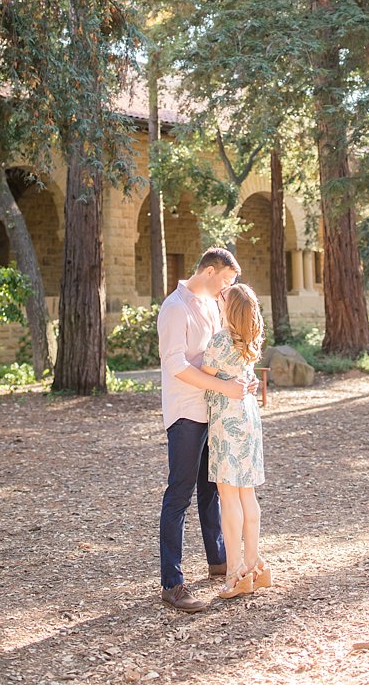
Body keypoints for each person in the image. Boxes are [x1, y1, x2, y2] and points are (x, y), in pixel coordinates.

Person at [156, 247, 256, 613]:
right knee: (179, 494)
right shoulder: (175, 307)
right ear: (211, 271)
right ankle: (172, 583)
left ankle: (218, 560)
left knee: (211, 489)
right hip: (185, 412)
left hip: (215, 411)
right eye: (227, 280)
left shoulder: (212, 306)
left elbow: (222, 354)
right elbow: (176, 365)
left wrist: (239, 384)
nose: (228, 288)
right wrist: (223, 386)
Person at [201, 282, 271, 598]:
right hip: (248, 417)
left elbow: (204, 378)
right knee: (247, 494)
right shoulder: (250, 340)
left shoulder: (219, 341)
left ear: (230, 307)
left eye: (224, 296)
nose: (219, 297)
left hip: (227, 420)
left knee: (229, 497)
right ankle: (255, 563)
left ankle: (234, 572)